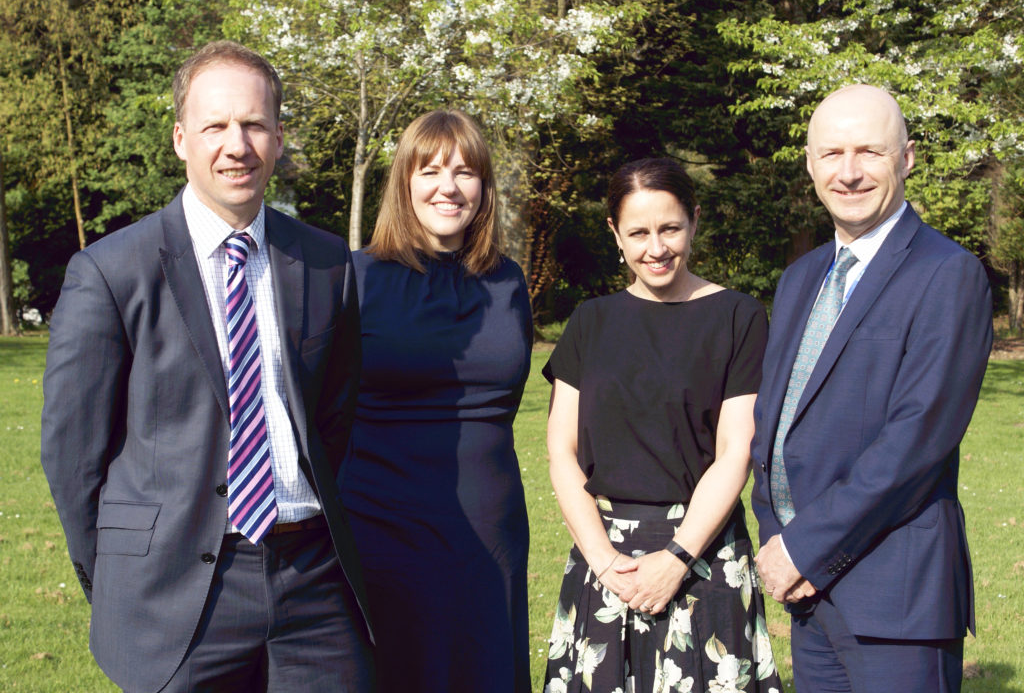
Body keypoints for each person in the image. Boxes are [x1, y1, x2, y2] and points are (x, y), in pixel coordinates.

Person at [40, 40, 373, 692]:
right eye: (215, 126)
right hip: (176, 593)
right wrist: (120, 575)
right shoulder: (110, 271)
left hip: (312, 583)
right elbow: (73, 457)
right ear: (180, 140)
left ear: (278, 138)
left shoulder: (327, 262)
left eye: (253, 124)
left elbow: (336, 418)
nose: (236, 145)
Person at [752, 84, 992, 691]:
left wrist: (804, 547)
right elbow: (774, 421)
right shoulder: (801, 278)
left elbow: (915, 442)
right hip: (809, 595)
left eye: (870, 152)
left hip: (895, 597)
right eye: (832, 154)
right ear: (811, 165)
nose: (850, 172)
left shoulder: (948, 274)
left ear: (906, 159)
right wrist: (778, 538)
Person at [543, 157, 782, 693]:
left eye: (670, 228)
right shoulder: (590, 321)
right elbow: (562, 451)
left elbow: (735, 451)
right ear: (615, 233)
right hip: (605, 558)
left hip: (704, 555)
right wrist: (605, 562)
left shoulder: (739, 316)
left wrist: (677, 559)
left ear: (694, 221)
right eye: (638, 233)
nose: (656, 248)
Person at [338, 109, 533, 692]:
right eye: (430, 171)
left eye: (465, 172)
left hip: (490, 525)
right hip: (380, 523)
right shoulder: (353, 278)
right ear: (404, 181)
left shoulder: (509, 281)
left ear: (484, 187)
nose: (449, 187)